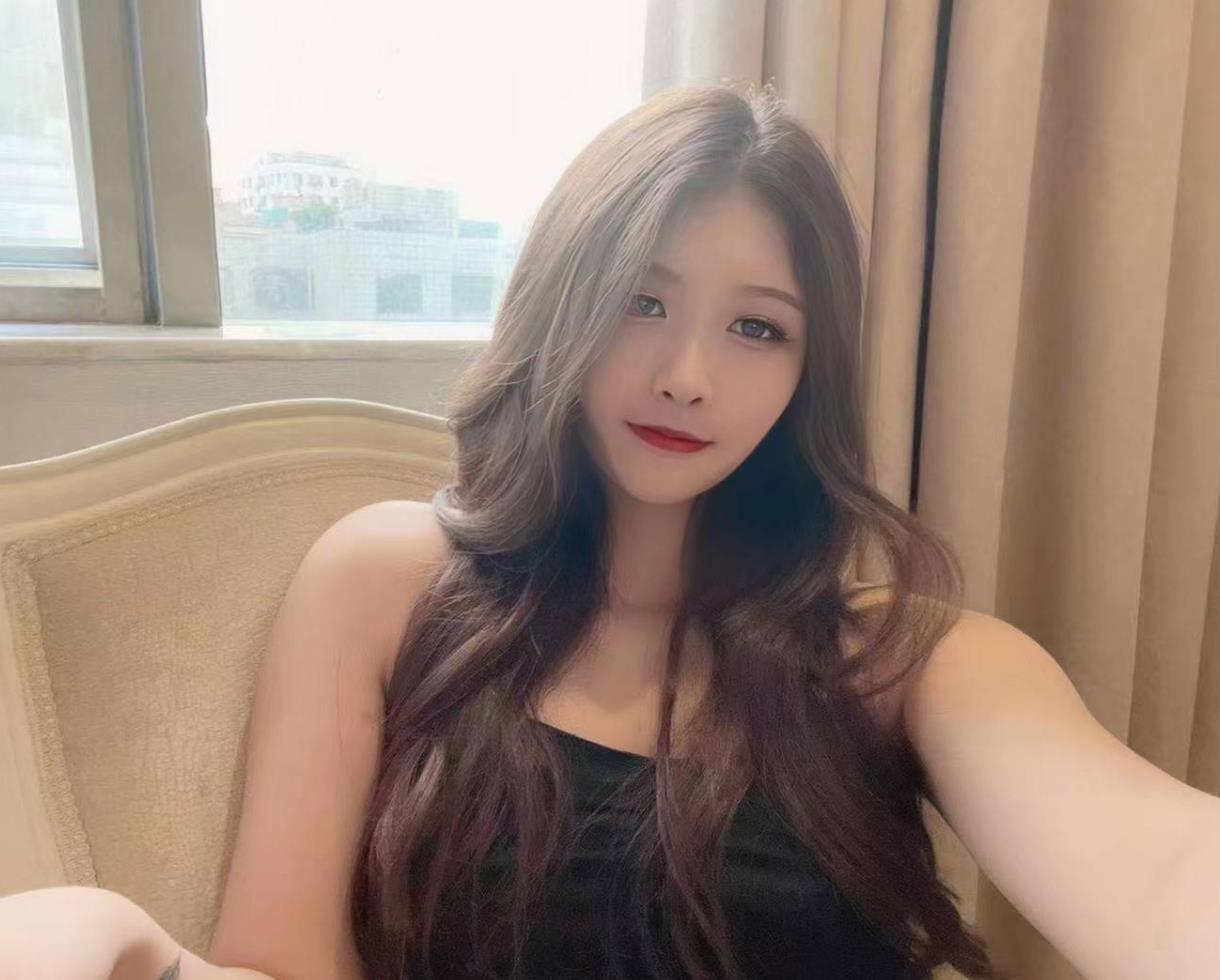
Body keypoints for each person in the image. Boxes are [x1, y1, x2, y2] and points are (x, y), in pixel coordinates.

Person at [10, 81, 1218, 980]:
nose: (686, 373)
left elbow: (1158, 866)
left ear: (808, 371)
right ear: (561, 303)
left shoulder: (901, 660)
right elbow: (282, 964)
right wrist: (123, 947)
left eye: (756, 327)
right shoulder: (387, 583)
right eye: (640, 300)